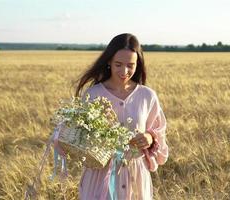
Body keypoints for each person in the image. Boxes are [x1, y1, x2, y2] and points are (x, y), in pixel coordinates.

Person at [63, 33, 168, 199]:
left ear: (137, 64)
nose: (124, 71)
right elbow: (80, 137)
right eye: (118, 64)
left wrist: (150, 138)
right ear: (109, 62)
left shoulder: (147, 96)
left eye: (130, 65)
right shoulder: (93, 94)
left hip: (136, 178)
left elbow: (159, 131)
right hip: (99, 176)